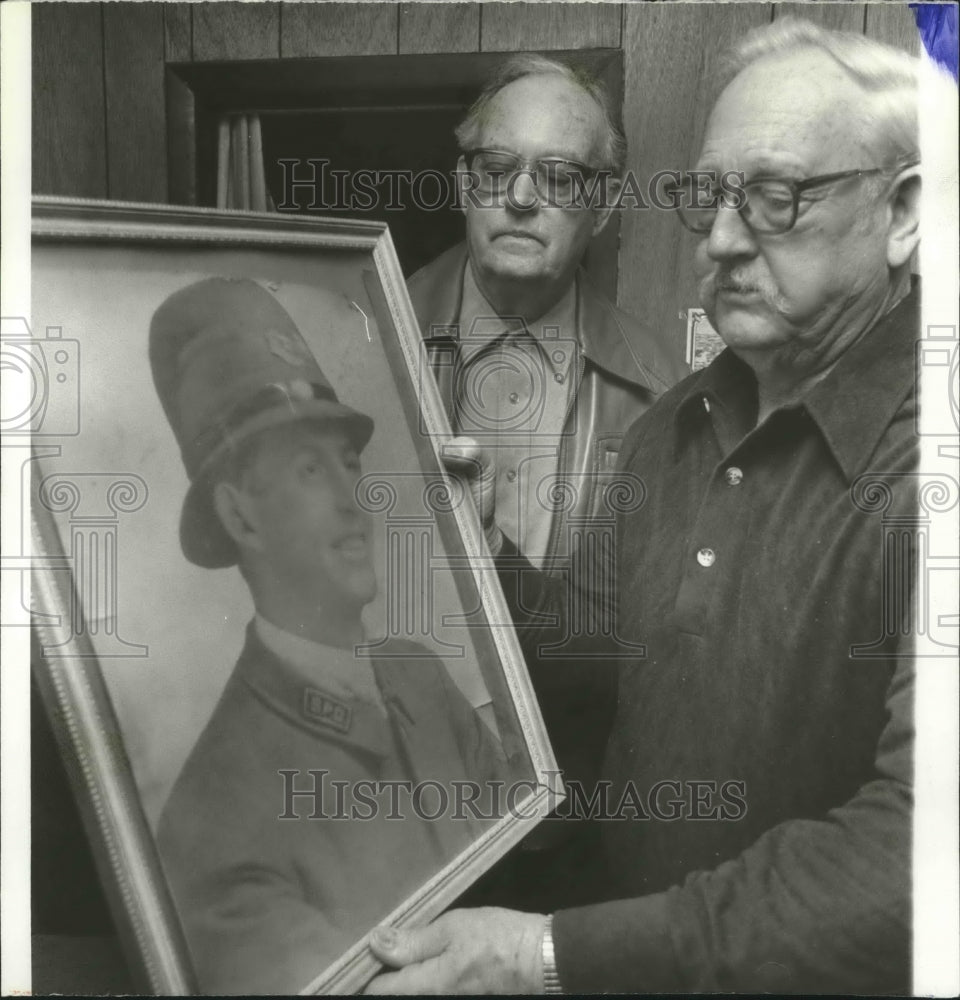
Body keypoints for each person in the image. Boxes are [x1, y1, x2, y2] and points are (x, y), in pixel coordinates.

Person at [366, 18, 923, 994]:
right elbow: (594, 657)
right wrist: (482, 544)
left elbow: (915, 857)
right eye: (708, 195)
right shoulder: (676, 422)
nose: (718, 240)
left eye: (777, 198)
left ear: (906, 211)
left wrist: (548, 952)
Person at [148, 277, 507, 994]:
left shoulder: (419, 678)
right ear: (241, 517)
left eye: (348, 464)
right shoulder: (210, 820)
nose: (354, 500)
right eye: (311, 470)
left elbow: (524, 864)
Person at [408, 54, 685, 577]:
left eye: (558, 178)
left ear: (602, 207)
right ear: (465, 184)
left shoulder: (661, 388)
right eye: (496, 169)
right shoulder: (371, 333)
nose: (519, 197)